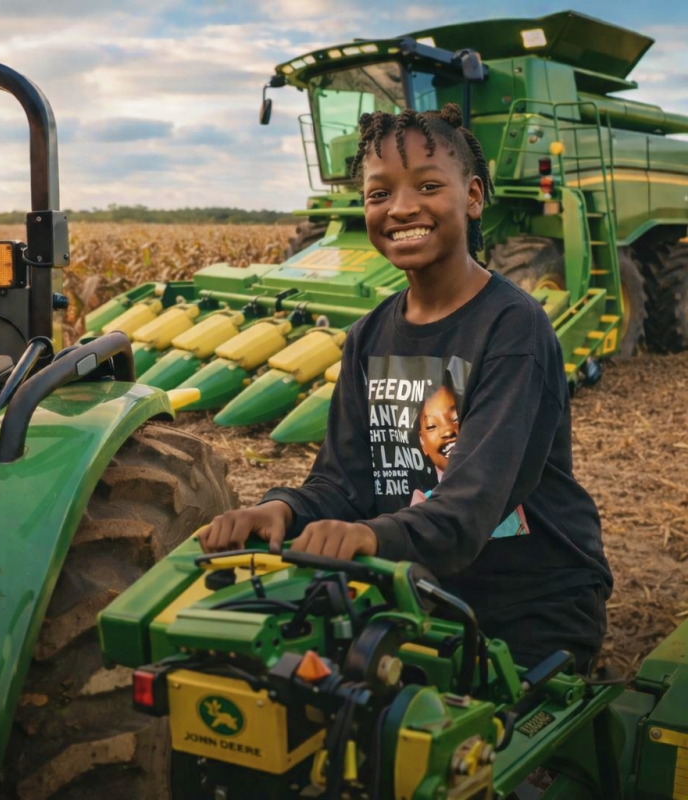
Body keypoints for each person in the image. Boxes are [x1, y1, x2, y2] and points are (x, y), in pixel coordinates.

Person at [202, 103, 611, 672]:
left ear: (471, 196)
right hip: (415, 589)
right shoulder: (370, 335)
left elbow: (468, 512)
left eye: (427, 185)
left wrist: (368, 537)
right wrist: (283, 509)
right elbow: (343, 483)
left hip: (529, 604)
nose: (400, 208)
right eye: (378, 194)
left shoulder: (513, 329)